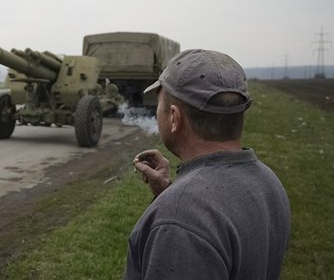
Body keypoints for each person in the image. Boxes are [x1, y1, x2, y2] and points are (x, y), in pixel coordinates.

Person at [123, 49, 291, 280]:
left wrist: (177, 203)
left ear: (174, 118)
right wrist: (168, 191)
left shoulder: (178, 221)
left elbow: (193, 220)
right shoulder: (268, 181)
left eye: (159, 106)